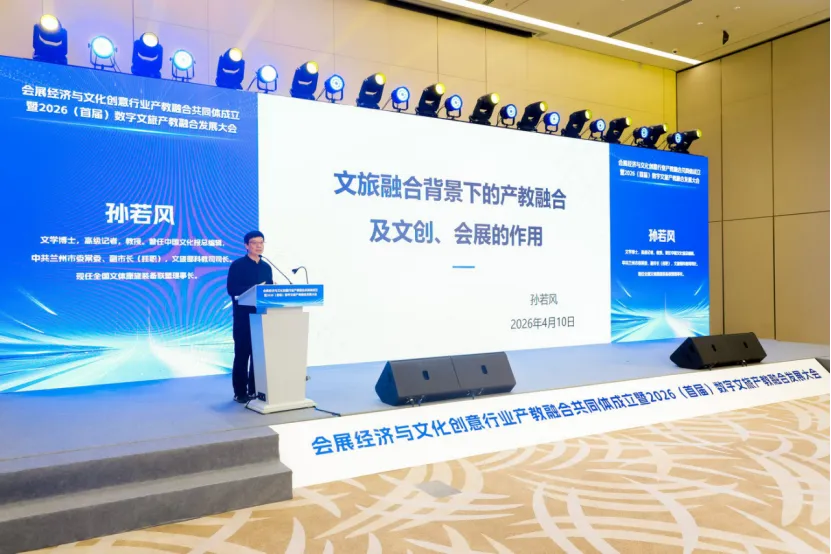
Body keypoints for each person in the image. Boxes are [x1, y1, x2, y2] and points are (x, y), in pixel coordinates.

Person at [226, 230, 273, 403]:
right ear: (246, 245)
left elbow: (268, 292)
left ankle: (255, 389)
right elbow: (232, 289)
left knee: (258, 355)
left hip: (261, 316)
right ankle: (240, 392)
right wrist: (255, 288)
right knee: (242, 354)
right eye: (254, 243)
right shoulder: (238, 265)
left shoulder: (267, 267)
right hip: (243, 318)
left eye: (261, 242)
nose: (259, 246)